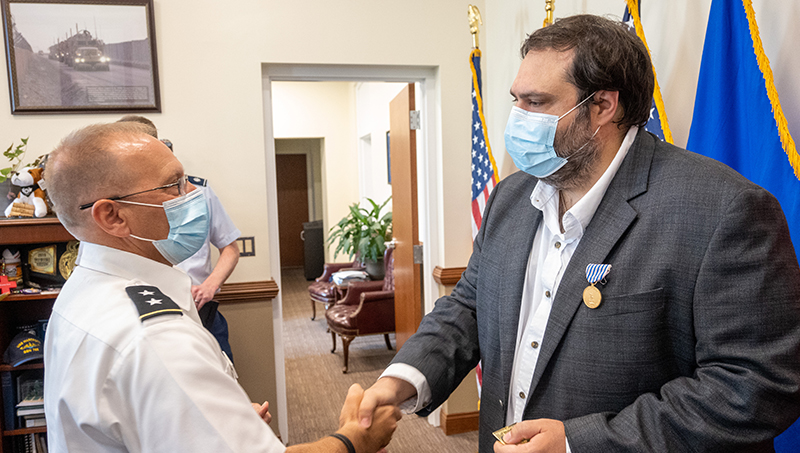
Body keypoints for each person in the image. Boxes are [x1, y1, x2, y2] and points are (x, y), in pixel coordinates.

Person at [357, 14, 800, 453]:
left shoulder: (725, 210)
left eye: (535, 102)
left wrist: (577, 443)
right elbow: (470, 306)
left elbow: (758, 385)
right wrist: (403, 379)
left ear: (603, 106)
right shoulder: (512, 196)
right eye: (516, 100)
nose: (517, 119)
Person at [43, 122, 401, 452]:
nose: (193, 195)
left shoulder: (81, 293)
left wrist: (216, 422)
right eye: (174, 185)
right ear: (113, 216)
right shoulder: (156, 339)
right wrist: (355, 440)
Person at [116, 115, 238, 361]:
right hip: (147, 317)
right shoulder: (119, 203)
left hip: (200, 311)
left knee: (224, 386)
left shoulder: (196, 192)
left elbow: (230, 248)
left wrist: (210, 286)